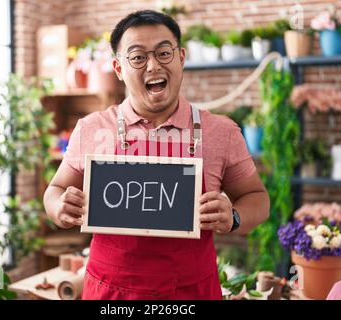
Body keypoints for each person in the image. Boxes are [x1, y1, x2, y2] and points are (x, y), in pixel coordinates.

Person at [43, 10, 270, 300]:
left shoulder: (221, 131)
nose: (153, 65)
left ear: (181, 58)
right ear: (118, 68)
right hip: (111, 292)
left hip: (191, 292)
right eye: (137, 57)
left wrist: (235, 217)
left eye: (164, 53)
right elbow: (55, 190)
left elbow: (257, 197)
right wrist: (59, 207)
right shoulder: (91, 129)